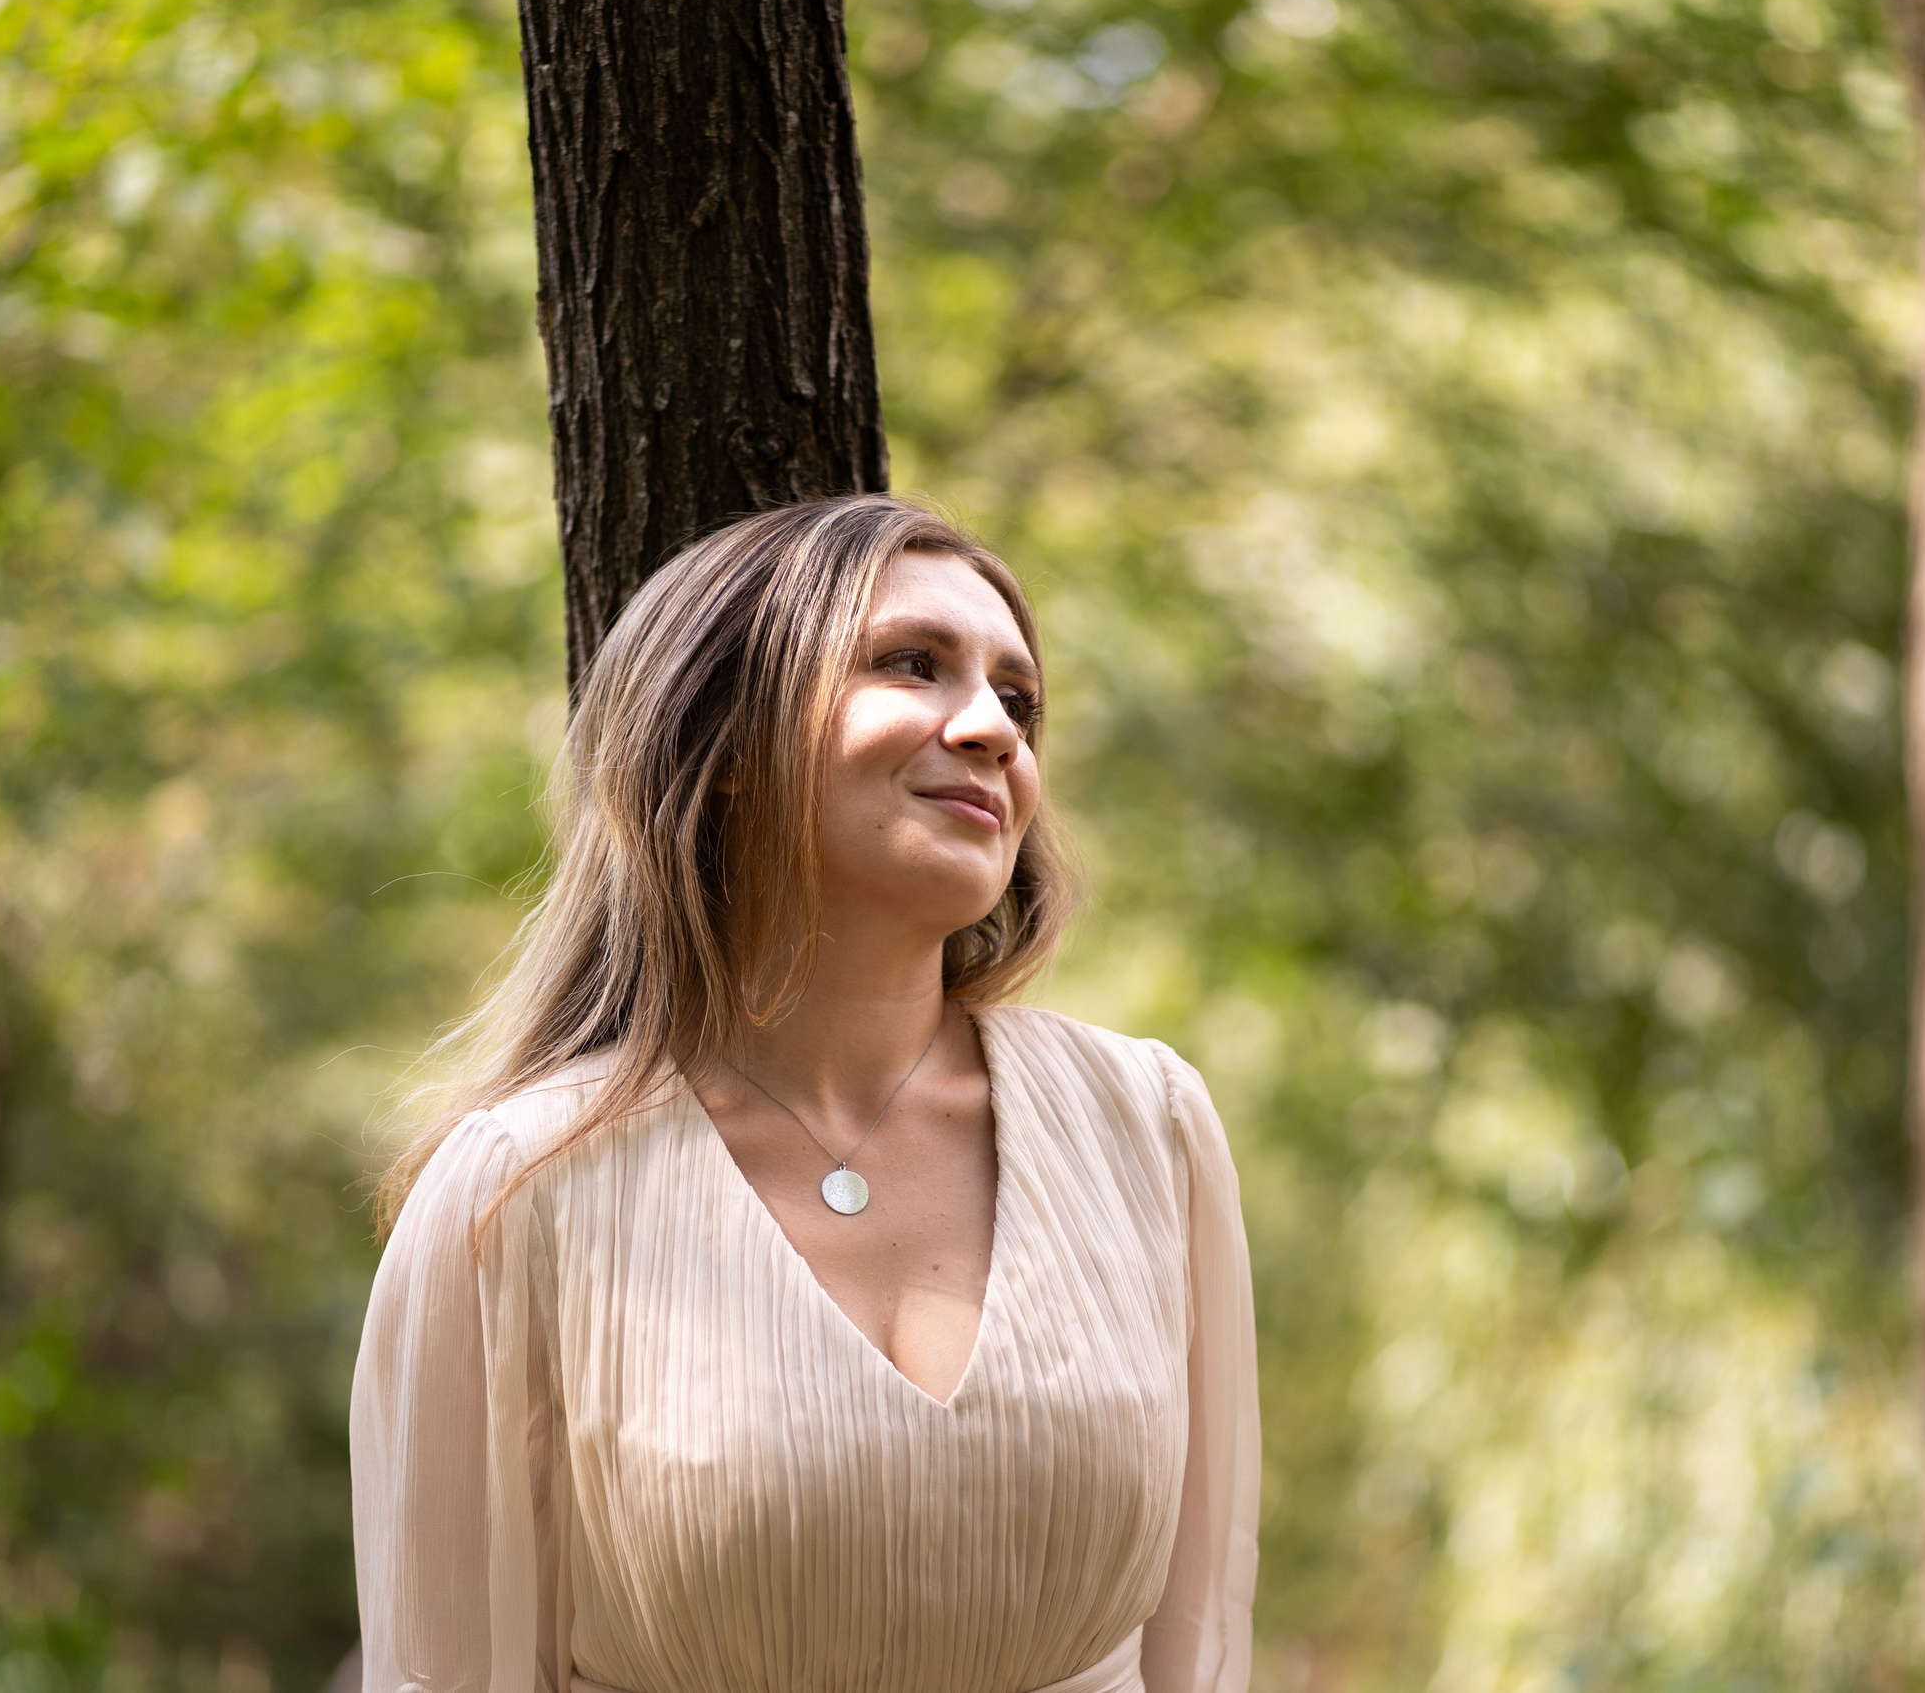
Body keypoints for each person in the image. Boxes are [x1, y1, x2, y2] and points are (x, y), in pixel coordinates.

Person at [350, 497, 1257, 1693]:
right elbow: (448, 1674)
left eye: (1020, 700)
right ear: (722, 750)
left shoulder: (1148, 1128)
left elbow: (1198, 1643)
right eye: (911, 664)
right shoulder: (521, 1190)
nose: (992, 730)